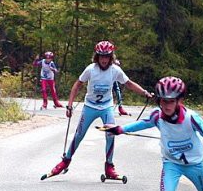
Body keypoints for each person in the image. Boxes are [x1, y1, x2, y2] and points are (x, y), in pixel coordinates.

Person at [48, 40, 153, 178]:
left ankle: (109, 166)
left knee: (110, 133)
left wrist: (144, 92)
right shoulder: (91, 69)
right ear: (97, 56)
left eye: (107, 56)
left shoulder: (115, 70)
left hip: (106, 106)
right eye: (101, 56)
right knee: (79, 134)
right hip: (90, 106)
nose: (104, 59)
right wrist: (69, 105)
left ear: (111, 57)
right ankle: (65, 161)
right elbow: (77, 85)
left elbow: (129, 83)